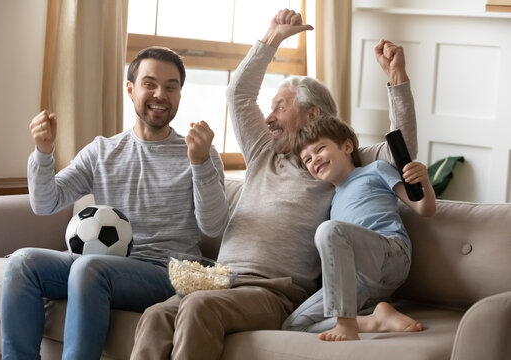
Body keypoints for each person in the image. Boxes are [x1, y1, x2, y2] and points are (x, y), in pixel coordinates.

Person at [130, 9, 419, 360]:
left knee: (198, 309)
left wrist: (397, 78)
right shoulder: (264, 152)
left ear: (313, 115)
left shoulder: (338, 164)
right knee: (156, 314)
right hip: (222, 281)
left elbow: (403, 151)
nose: (268, 118)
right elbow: (238, 96)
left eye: (280, 107)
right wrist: (272, 38)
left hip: (274, 293)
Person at [0, 47, 229, 360]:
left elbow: (214, 225)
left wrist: (201, 163)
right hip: (102, 263)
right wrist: (43, 153)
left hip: (165, 271)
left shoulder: (199, 153)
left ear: (179, 94)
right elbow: (45, 203)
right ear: (130, 88)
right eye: (150, 84)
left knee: (88, 268)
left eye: (171, 86)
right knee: (22, 262)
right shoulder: (102, 151)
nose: (161, 94)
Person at [282, 114, 435, 341]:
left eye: (320, 149)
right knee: (293, 325)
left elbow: (424, 209)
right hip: (359, 281)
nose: (314, 159)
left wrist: (425, 182)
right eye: (307, 159)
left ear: (347, 146)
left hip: (391, 255)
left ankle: (345, 324)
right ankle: (375, 321)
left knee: (329, 230)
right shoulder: (332, 200)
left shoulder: (375, 170)